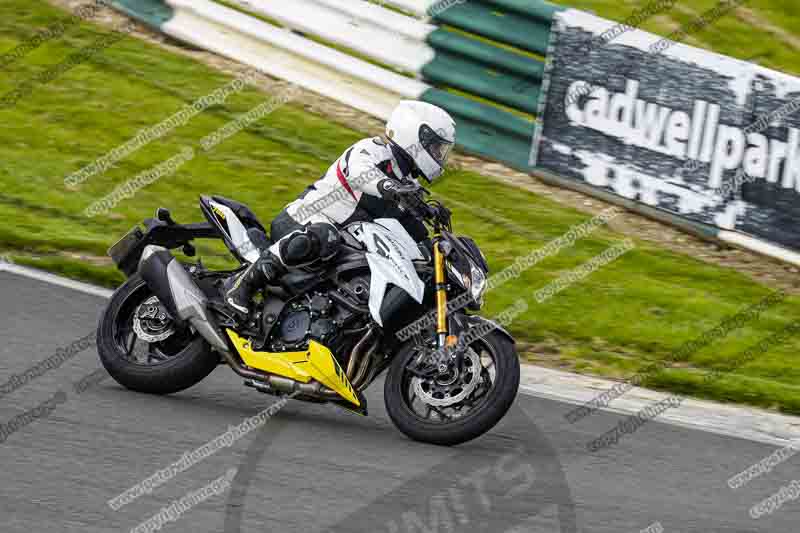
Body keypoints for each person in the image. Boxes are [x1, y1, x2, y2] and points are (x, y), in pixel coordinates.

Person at [222, 100, 457, 318]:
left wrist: (434, 232)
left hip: (340, 248)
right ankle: (242, 286)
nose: (439, 156)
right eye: (436, 148)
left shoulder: (407, 185)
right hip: (301, 223)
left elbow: (416, 234)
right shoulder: (372, 150)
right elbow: (360, 172)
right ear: (416, 137)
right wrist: (388, 186)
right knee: (328, 235)